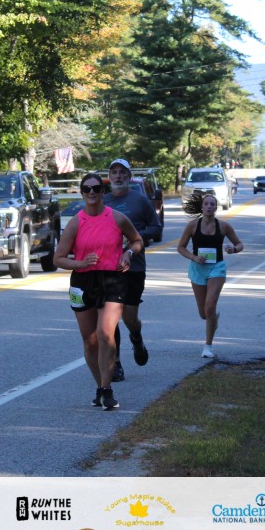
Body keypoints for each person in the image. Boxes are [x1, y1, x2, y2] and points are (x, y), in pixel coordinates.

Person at [53, 173, 143, 410]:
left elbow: (137, 241)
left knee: (105, 333)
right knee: (90, 340)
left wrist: (128, 253)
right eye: (87, 189)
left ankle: (107, 387)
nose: (91, 192)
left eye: (96, 188)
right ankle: (100, 388)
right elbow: (58, 258)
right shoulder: (76, 222)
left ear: (103, 192)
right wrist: (80, 263)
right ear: (82, 193)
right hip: (83, 281)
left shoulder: (117, 218)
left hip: (112, 279)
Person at [103, 159, 162, 382]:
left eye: (122, 173)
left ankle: (136, 337)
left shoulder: (140, 200)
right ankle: (115, 363)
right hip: (108, 267)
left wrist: (135, 237)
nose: (118, 176)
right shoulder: (103, 201)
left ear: (129, 176)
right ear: (109, 177)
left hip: (134, 266)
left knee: (129, 317)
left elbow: (156, 227)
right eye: (114, 172)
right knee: (111, 316)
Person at [176, 193, 244, 358]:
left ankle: (208, 346)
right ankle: (213, 319)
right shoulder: (193, 226)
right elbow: (180, 247)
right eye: (206, 204)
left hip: (217, 269)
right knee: (204, 314)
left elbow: (239, 244)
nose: (209, 206)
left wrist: (234, 249)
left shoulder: (224, 226)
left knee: (210, 305)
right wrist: (194, 257)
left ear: (216, 208)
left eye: (212, 204)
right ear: (202, 207)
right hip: (198, 269)